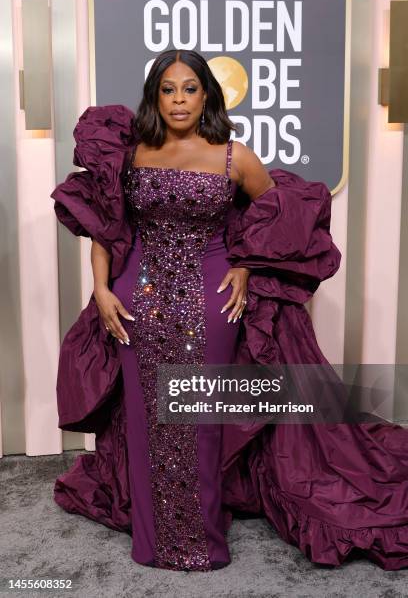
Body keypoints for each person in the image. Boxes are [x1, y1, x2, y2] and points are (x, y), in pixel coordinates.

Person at [51, 49, 408, 572]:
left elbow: (272, 214)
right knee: (146, 418)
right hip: (137, 301)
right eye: (168, 89)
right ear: (154, 96)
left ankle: (202, 538)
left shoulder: (232, 156)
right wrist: (102, 290)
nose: (178, 100)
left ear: (207, 96)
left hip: (212, 302)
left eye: (189, 89)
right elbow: (106, 229)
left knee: (201, 418)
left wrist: (244, 265)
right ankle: (152, 542)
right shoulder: (129, 154)